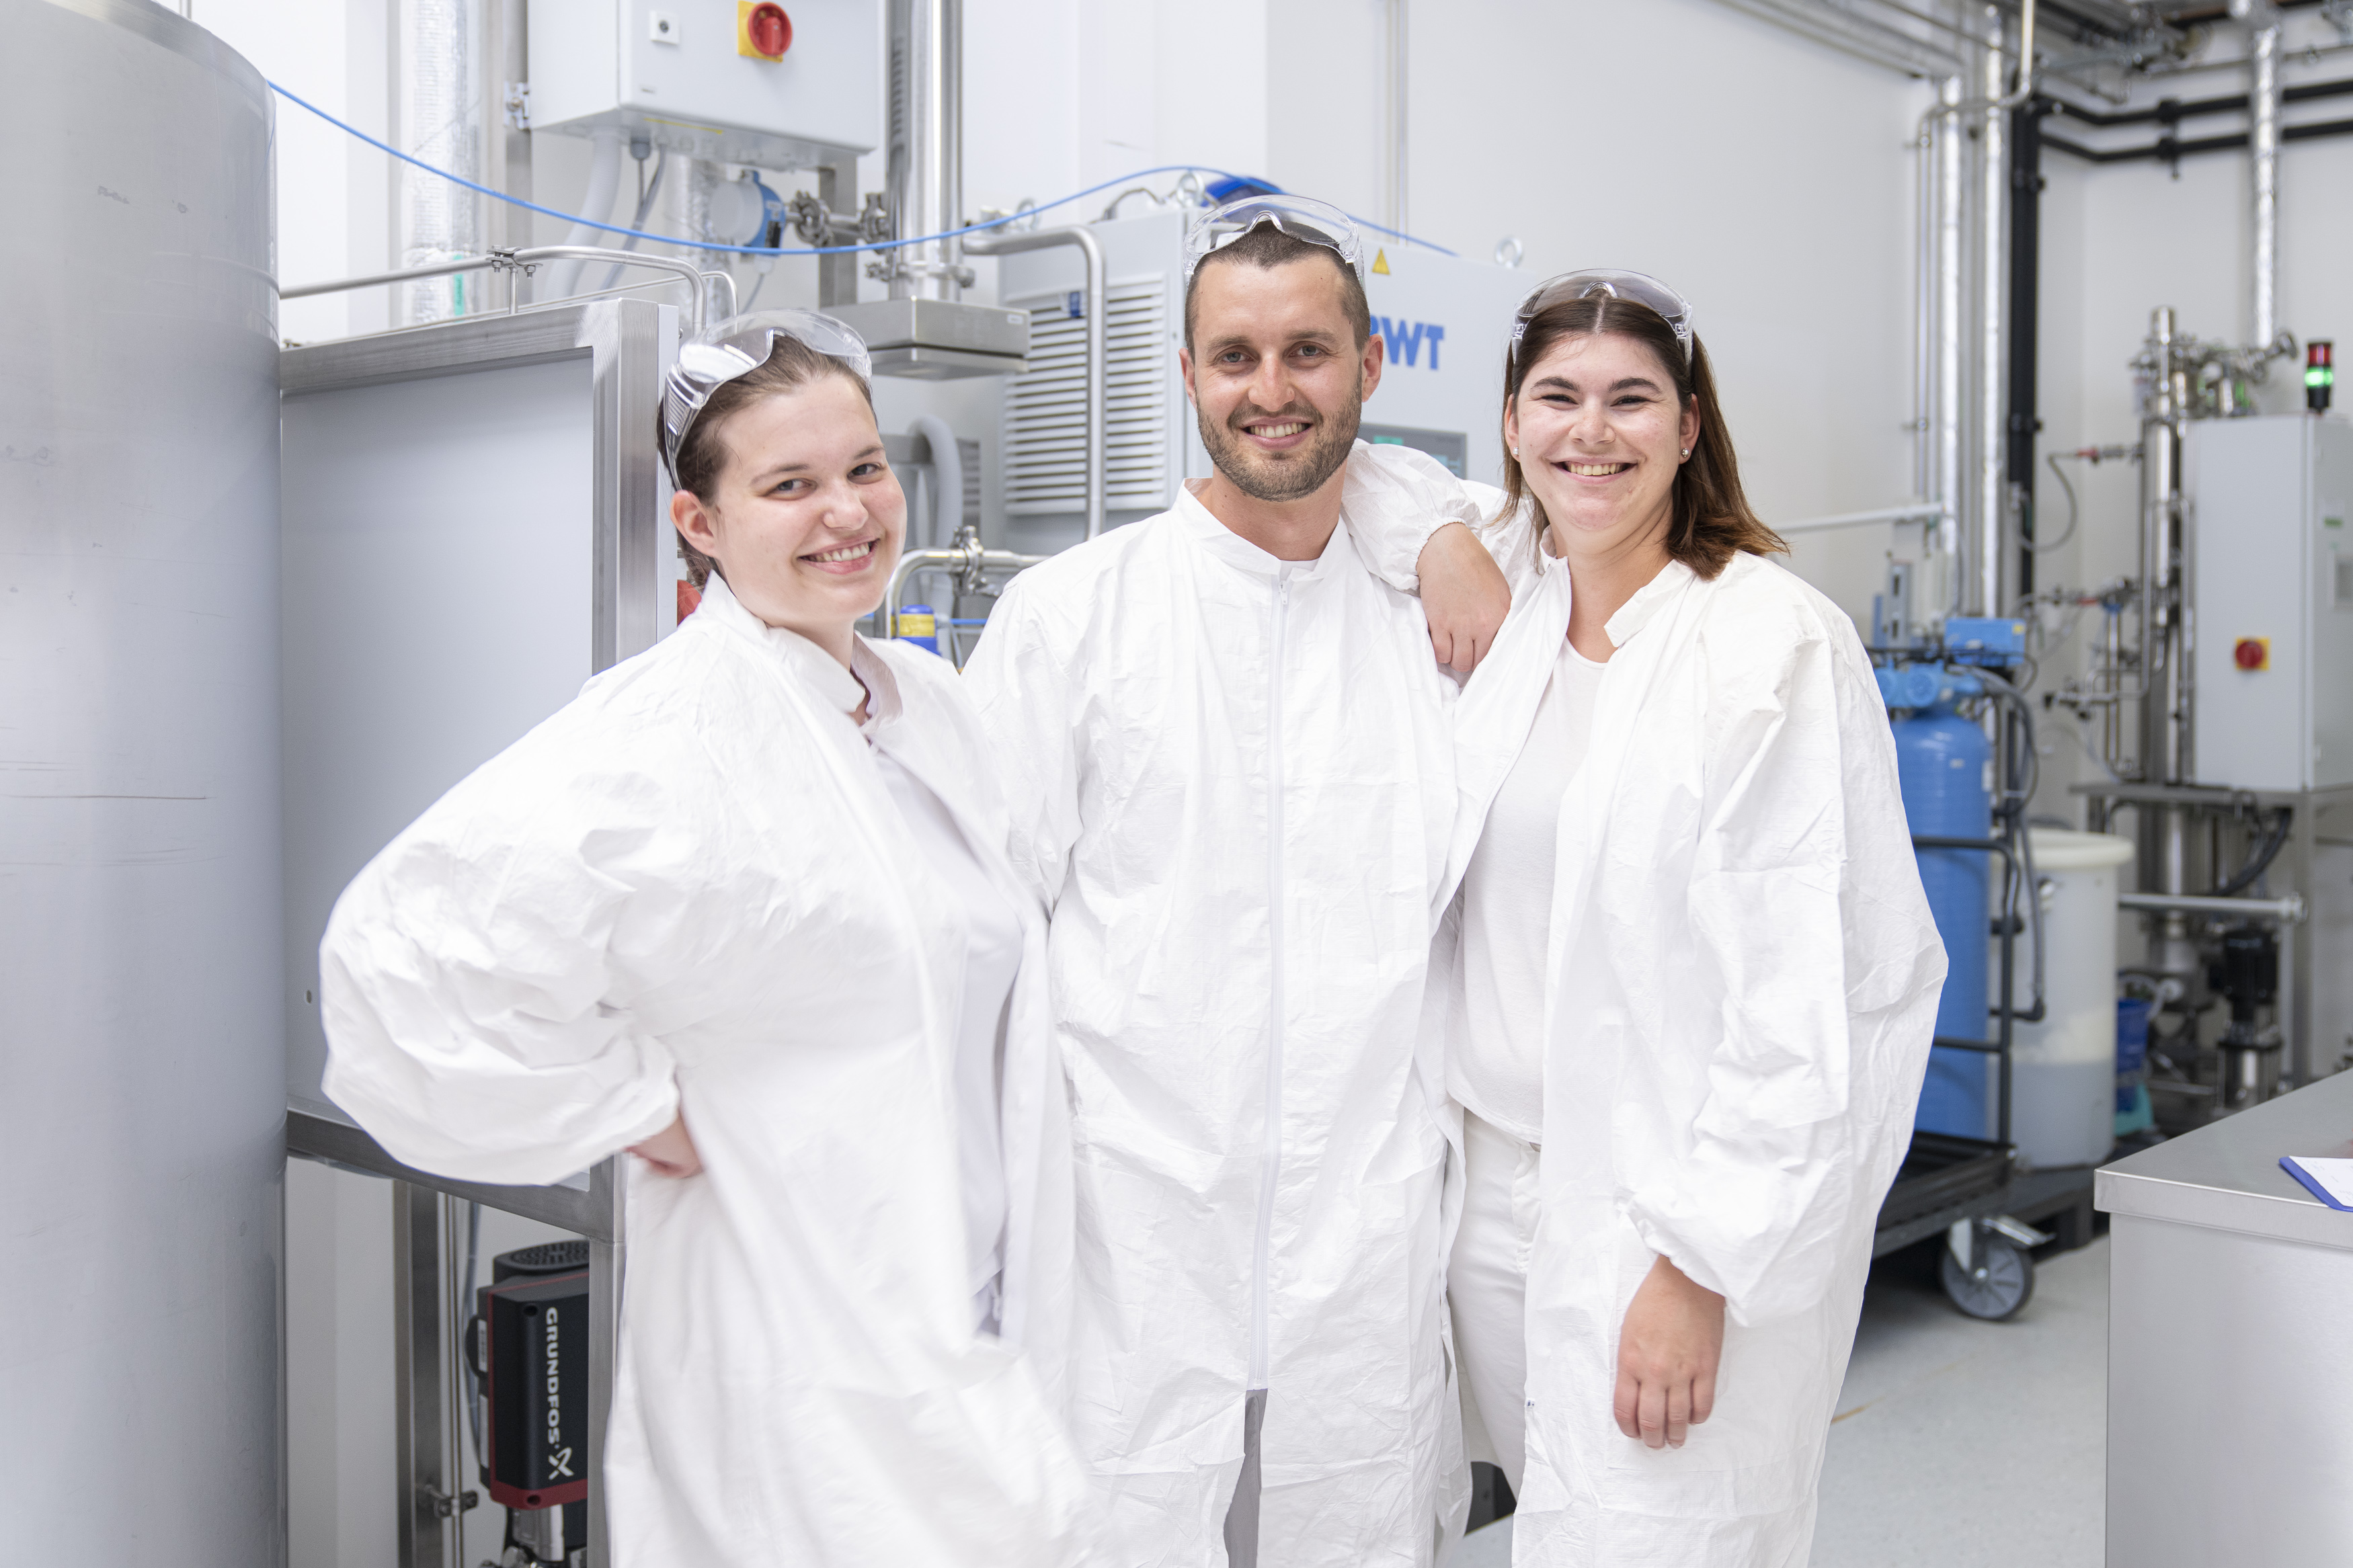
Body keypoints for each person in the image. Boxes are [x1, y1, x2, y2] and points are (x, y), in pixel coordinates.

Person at [318, 313, 1101, 1567]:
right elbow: (396, 962)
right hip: (787, 1356)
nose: (846, 512)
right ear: (701, 524)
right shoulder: (666, 732)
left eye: (862, 468)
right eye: (788, 485)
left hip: (968, 1328)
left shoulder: (927, 706)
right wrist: (632, 1103)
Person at [960, 196, 1511, 1568]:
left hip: (1363, 1234)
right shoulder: (1074, 619)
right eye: (1235, 358)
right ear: (1189, 375)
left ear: (1369, 372)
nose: (1272, 393)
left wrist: (1430, 516)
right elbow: (968, 930)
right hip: (1130, 1230)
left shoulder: (1436, 622)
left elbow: (1564, 495)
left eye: (1309, 354)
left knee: (1361, 1529)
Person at [1433, 272, 1944, 1564]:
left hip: (1671, 1216)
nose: (1589, 432)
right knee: (1548, 1523)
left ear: (1692, 423)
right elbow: (1366, 487)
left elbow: (1810, 995)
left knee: (1663, 1539)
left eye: (1631, 399)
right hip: (1491, 1197)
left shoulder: (1768, 645)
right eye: (1557, 397)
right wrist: (1442, 538)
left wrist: (1699, 1264)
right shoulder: (1507, 613)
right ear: (1507, 423)